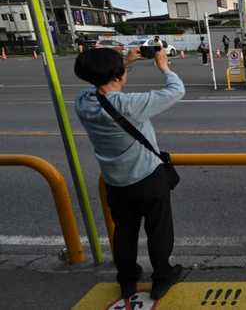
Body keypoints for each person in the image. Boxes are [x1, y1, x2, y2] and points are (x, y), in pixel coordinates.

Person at [74, 47, 185, 301]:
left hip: (114, 181)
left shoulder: (82, 101)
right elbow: (176, 90)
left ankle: (127, 281)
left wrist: (124, 62)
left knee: (124, 232)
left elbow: (101, 84)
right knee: (158, 230)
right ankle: (162, 277)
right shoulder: (127, 104)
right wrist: (164, 66)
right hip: (147, 177)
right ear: (117, 76)